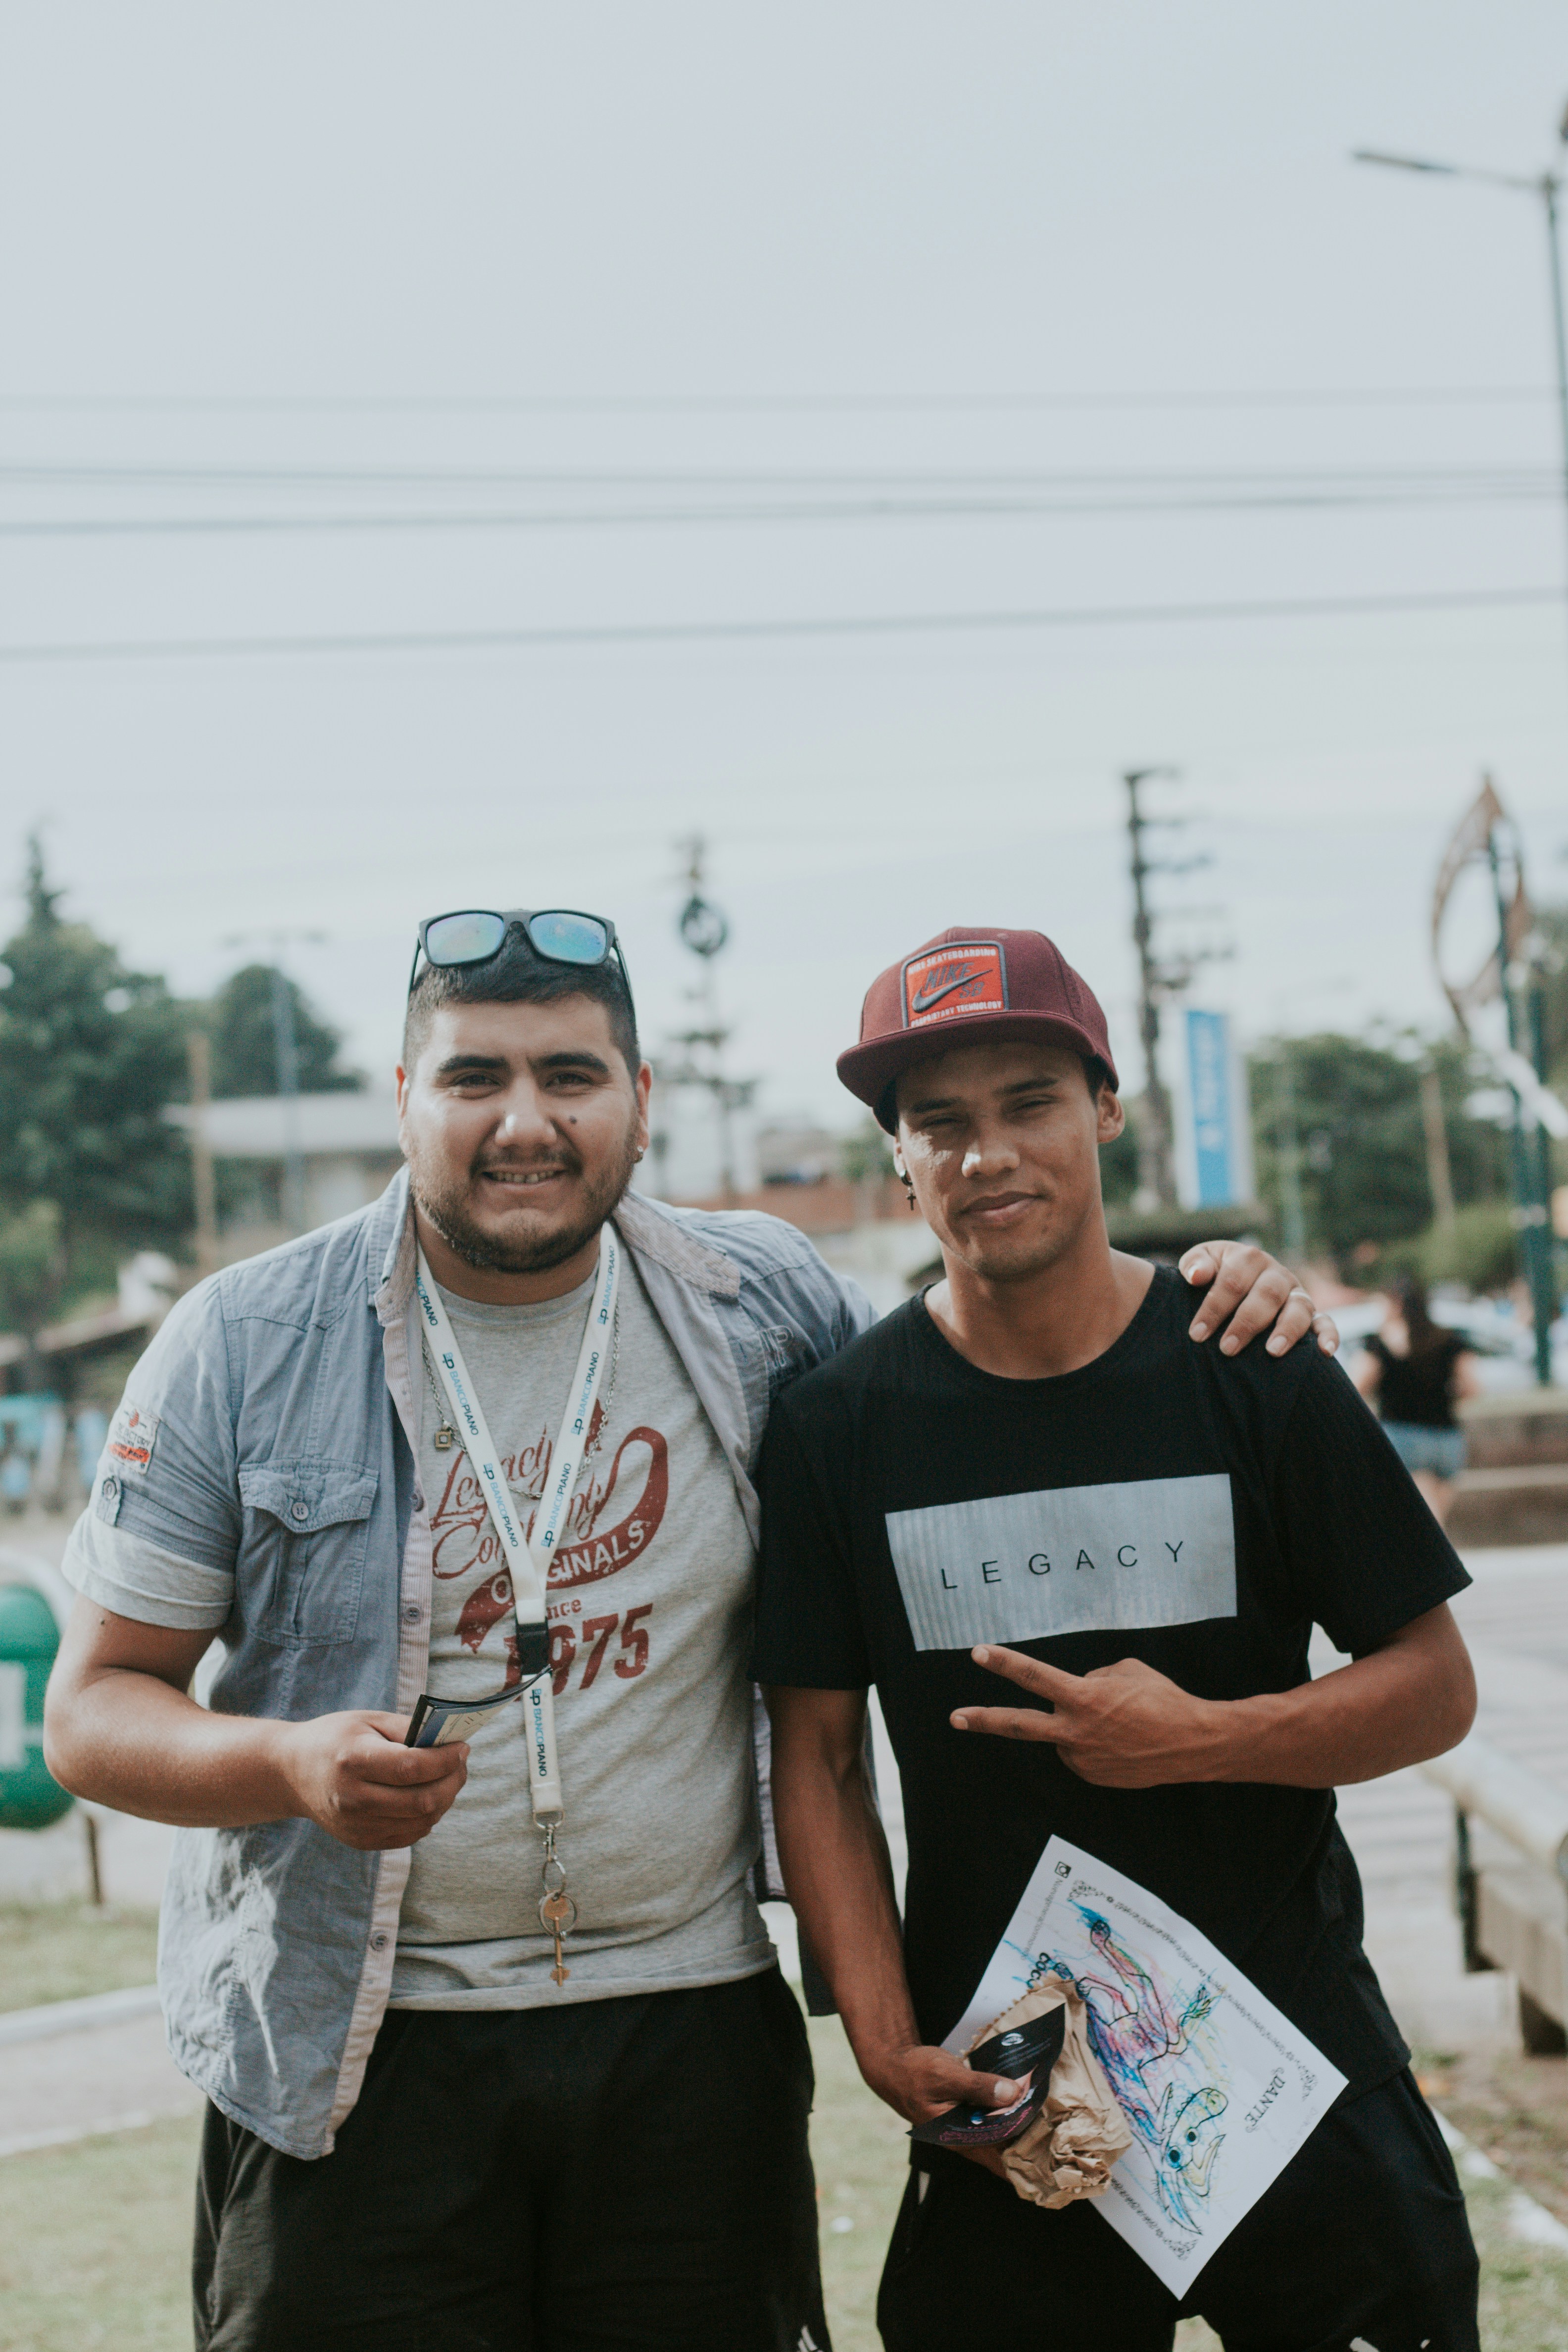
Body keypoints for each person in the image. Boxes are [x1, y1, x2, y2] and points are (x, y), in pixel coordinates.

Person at [43, 907, 1323, 2352]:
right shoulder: (245, 1342)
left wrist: (1208, 1290)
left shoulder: (765, 1302)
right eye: (474, 1079)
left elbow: (999, 1355)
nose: (525, 1122)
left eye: (571, 1077)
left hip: (691, 2032)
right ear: (404, 1099)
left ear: (642, 1104)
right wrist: (285, 1766)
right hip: (358, 2050)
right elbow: (91, 1712)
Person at [754, 927, 1481, 2352]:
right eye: (938, 1124)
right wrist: (886, 2032)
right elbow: (821, 1756)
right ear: (897, 1157)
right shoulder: (837, 1426)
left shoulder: (1250, 1366)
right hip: (1017, 2079)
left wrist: (1202, 1741)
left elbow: (1434, 1688)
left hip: (1294, 2050)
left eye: (1028, 1102)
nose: (986, 1156)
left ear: (1106, 1108)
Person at [1353, 1274, 1480, 1527]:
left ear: (1396, 1303)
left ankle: (1437, 1565)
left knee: (1427, 1524)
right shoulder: (1449, 1339)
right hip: (1447, 1439)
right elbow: (1473, 1388)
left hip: (1402, 1437)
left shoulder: (1380, 1342)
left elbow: (1358, 1386)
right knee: (1436, 1518)